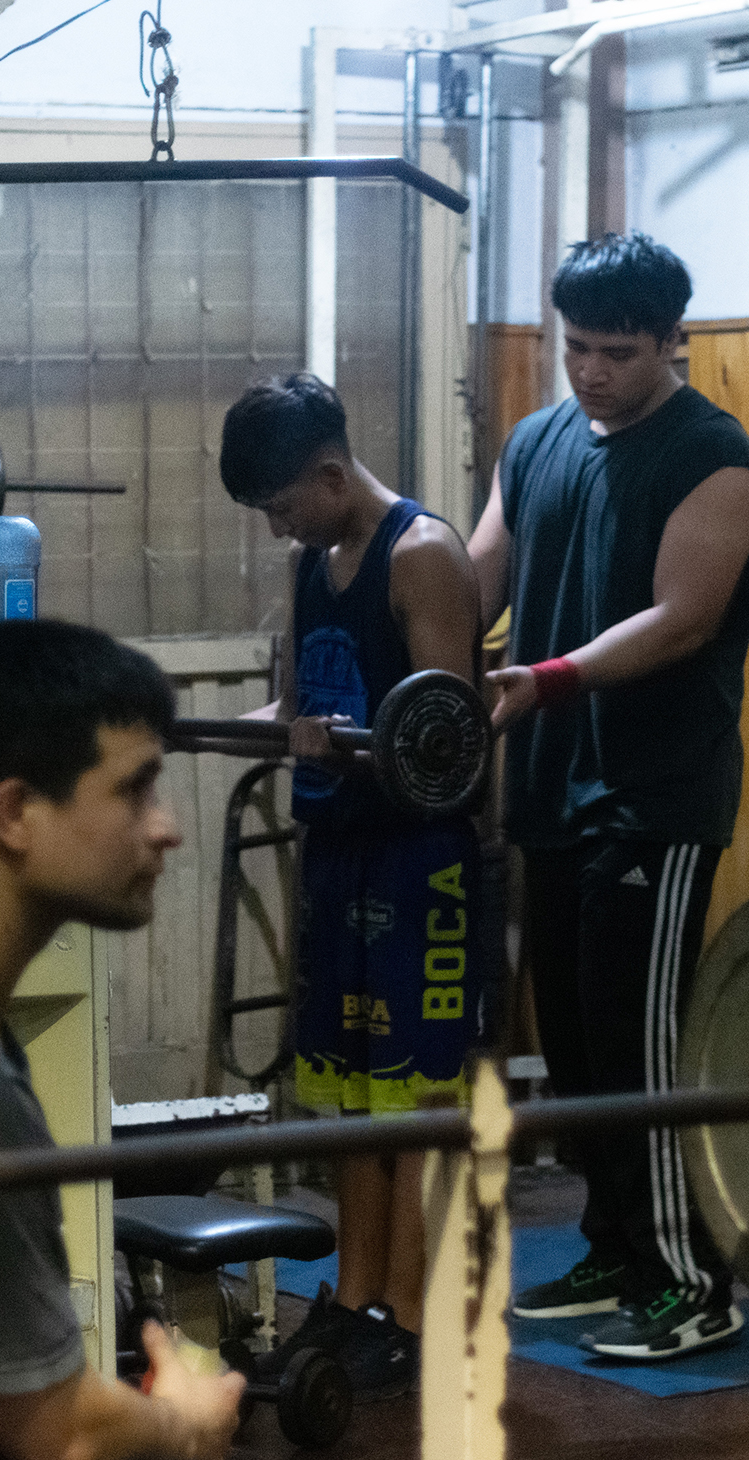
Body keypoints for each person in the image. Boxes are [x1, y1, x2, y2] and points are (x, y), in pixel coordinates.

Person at [468, 231, 749, 1361]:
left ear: (671, 342)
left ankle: (693, 1277)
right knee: (577, 1049)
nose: (590, 370)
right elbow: (475, 570)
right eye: (574, 346)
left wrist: (545, 677)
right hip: (547, 788)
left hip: (652, 799)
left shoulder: (712, 454)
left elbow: (681, 616)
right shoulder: (535, 439)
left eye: (618, 352)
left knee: (640, 1054)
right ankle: (615, 1242)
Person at [219, 372, 483, 1400]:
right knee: (341, 1094)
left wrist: (351, 746)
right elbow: (292, 705)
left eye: (284, 503)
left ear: (329, 472)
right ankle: (358, 1289)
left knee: (408, 1102)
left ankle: (408, 1314)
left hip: (420, 866)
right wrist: (152, 726)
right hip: (336, 853)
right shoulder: (312, 561)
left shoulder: (422, 556)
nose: (279, 524)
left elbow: (449, 743)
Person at [0, 618, 245, 1460]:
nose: (166, 828)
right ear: (16, 814)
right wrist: (186, 1423)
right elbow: (57, 1434)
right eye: (135, 790)